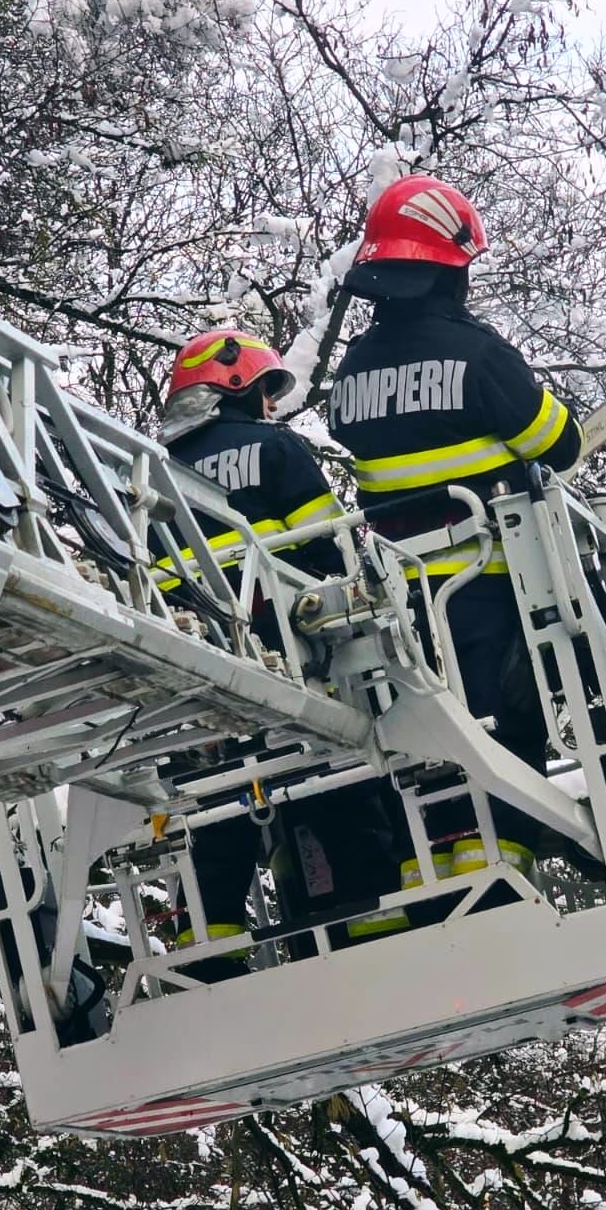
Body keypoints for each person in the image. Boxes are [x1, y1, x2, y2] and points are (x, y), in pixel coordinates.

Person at [328, 174, 582, 889]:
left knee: (423, 728)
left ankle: (425, 862)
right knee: (504, 716)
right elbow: (557, 443)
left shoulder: (353, 369)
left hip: (399, 590)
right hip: (488, 579)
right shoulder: (480, 356)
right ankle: (502, 858)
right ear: (449, 269)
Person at [158, 330, 399, 973]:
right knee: (335, 774)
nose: (271, 405)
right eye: (266, 390)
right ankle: (376, 914)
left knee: (216, 802)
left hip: (190, 668)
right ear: (237, 387)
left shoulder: (149, 471)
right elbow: (329, 550)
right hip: (283, 659)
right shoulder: (274, 449)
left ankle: (206, 945)